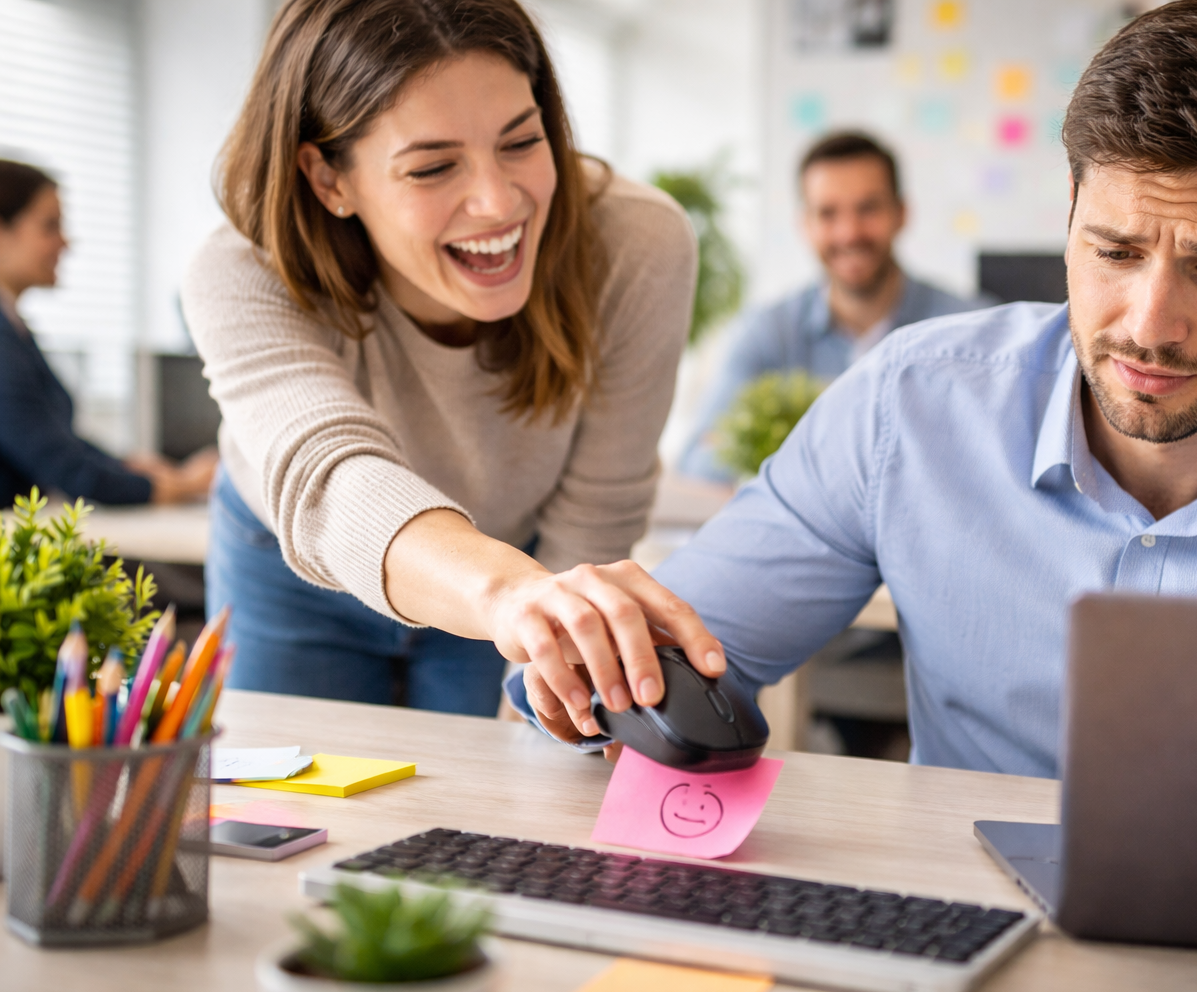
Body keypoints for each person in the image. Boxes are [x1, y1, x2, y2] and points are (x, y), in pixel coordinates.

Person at [514, 0, 1197, 776]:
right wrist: (583, 677)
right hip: (959, 959)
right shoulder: (910, 408)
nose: (1148, 322)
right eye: (1115, 249)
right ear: (1068, 218)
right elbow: (669, 671)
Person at [181, 0, 725, 718]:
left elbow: (599, 506)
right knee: (297, 811)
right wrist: (509, 595)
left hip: (520, 563)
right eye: (434, 167)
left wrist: (550, 654)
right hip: (296, 569)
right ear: (328, 180)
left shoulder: (635, 244)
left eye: (522, 142)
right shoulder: (245, 268)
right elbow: (332, 480)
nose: (498, 202)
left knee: (507, 791)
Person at [678, 131, 988, 481]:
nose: (848, 233)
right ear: (806, 225)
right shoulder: (767, 332)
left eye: (868, 209)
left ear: (901, 213)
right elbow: (698, 462)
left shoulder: (972, 329)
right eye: (828, 213)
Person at [0, 159, 216, 507]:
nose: (65, 243)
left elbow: (57, 440)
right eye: (49, 226)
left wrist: (127, 467)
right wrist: (184, 485)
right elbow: (65, 467)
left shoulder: (13, 328)